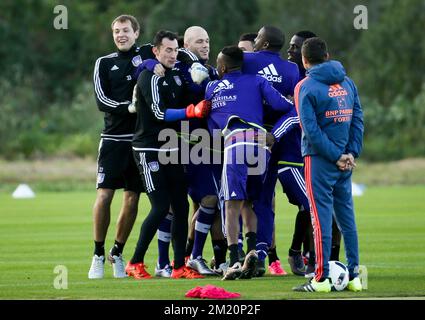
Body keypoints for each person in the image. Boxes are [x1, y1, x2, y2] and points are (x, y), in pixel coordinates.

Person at [125, 30, 210, 279]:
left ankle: (178, 267)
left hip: (171, 147)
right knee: (161, 207)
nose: (173, 55)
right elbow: (160, 114)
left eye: (175, 50)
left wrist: (200, 86)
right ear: (156, 51)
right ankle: (135, 262)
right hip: (148, 148)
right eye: (168, 50)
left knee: (181, 206)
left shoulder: (176, 74)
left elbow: (187, 96)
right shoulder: (148, 77)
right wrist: (192, 111)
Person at [205, 45, 294, 280]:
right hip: (260, 146)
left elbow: (210, 123)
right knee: (252, 203)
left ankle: (234, 259)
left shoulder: (213, 87)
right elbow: (283, 106)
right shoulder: (257, 81)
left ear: (222, 66)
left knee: (231, 203)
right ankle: (253, 251)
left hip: (234, 144)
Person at [292, 37, 364, 292]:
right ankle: (355, 276)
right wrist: (351, 153)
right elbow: (357, 119)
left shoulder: (305, 86)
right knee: (347, 219)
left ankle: (320, 279)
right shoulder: (348, 82)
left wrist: (335, 156)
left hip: (321, 160)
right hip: (346, 161)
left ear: (304, 60)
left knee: (320, 219)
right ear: (328, 55)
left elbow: (310, 130)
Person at [89, 14, 156, 279]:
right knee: (104, 195)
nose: (121, 35)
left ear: (136, 33)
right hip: (113, 140)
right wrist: (129, 108)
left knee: (132, 198)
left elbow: (172, 52)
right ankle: (97, 253)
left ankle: (117, 253)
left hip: (140, 141)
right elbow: (101, 100)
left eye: (125, 30)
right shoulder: (104, 63)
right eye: (116, 31)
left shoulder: (148, 55)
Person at [242, 26, 300, 276]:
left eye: (257, 38)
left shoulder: (246, 60)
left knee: (260, 200)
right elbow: (296, 108)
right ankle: (266, 253)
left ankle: (256, 252)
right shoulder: (292, 69)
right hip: (284, 140)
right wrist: (277, 133)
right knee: (294, 201)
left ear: (264, 44)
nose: (254, 41)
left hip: (256, 140)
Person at [287, 31, 343, 277]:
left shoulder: (315, 82)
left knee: (321, 207)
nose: (291, 52)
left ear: (307, 56)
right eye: (290, 47)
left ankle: (324, 262)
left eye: (296, 48)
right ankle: (302, 254)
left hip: (317, 153)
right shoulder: (291, 75)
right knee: (310, 206)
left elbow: (314, 126)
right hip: (298, 151)